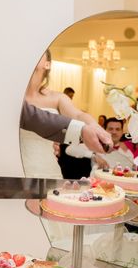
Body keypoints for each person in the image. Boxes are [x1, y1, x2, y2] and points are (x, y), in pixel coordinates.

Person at [21, 49, 109, 178]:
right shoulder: (12, 98)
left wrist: (93, 125)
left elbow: (78, 115)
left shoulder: (57, 98)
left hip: (46, 169)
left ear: (48, 64)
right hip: (10, 168)